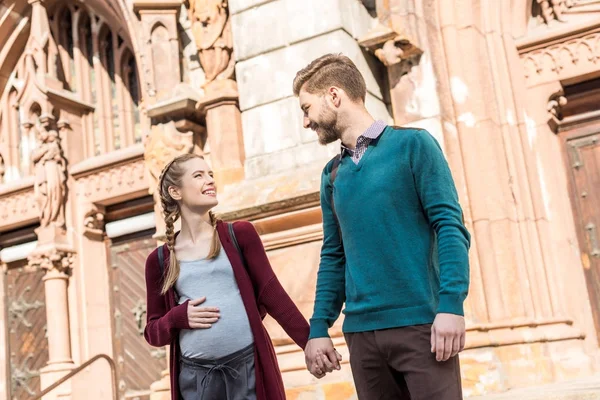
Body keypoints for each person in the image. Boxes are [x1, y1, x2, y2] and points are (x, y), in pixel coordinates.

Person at [293, 54, 471, 399]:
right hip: (362, 337)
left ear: (334, 96)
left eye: (306, 108)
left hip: (422, 326)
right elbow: (334, 255)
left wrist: (451, 304)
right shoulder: (332, 175)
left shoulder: (413, 145)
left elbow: (450, 227)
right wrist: (319, 327)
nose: (305, 122)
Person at [143, 153, 310, 400]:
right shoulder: (158, 261)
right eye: (198, 175)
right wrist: (177, 317)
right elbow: (153, 332)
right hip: (196, 379)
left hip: (247, 368)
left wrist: (310, 342)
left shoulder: (239, 235)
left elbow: (271, 294)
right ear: (176, 192)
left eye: (211, 174)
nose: (210, 180)